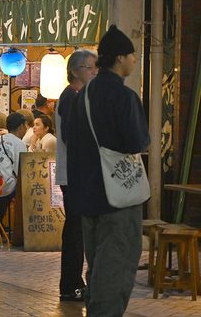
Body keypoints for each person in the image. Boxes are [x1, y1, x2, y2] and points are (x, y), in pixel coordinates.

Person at [64, 25, 150, 315]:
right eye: (132, 55)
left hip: (88, 197)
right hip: (118, 198)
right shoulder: (124, 97)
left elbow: (71, 139)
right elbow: (138, 141)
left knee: (99, 266)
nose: (134, 61)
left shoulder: (82, 96)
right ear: (120, 59)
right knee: (116, 268)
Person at [55, 49, 98, 302]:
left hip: (75, 173)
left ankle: (72, 283)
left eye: (95, 67)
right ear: (74, 71)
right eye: (89, 67)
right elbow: (73, 136)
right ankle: (71, 285)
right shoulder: (72, 97)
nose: (94, 71)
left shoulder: (77, 96)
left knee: (76, 230)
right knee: (75, 231)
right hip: (74, 174)